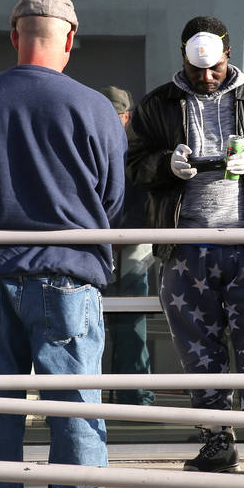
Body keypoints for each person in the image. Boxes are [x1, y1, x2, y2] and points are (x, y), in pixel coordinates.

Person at [0, 0, 129, 488]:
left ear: (13, 36)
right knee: (73, 398)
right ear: (69, 39)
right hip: (69, 272)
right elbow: (113, 198)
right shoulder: (94, 106)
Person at [127, 15, 244, 477]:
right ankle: (216, 440)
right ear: (183, 59)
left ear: (228, 55)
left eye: (214, 68)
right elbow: (134, 165)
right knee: (197, 348)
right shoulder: (158, 105)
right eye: (196, 70)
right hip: (185, 244)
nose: (206, 78)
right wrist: (166, 164)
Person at [100, 85, 156, 406]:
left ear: (127, 116)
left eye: (114, 113)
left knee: (132, 320)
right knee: (94, 320)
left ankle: (134, 395)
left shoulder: (138, 151)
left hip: (132, 246)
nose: (108, 119)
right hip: (101, 246)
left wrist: (121, 238)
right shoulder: (92, 144)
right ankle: (105, 393)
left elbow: (146, 200)